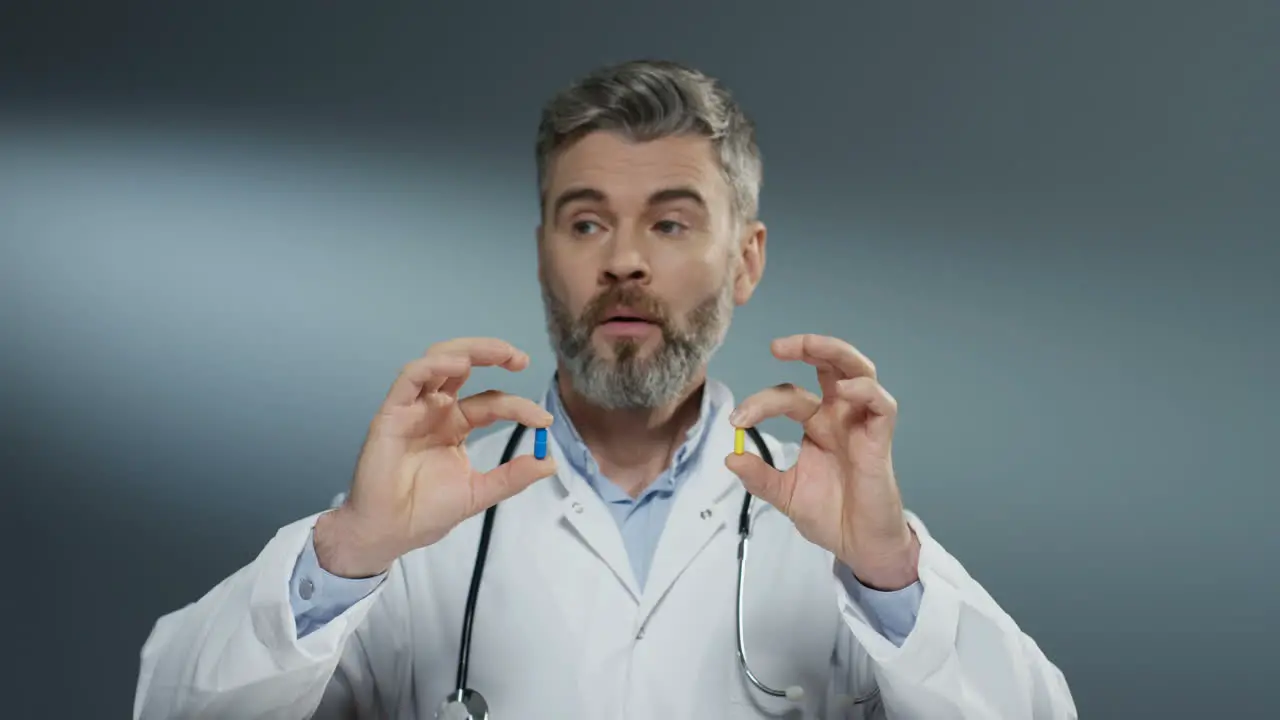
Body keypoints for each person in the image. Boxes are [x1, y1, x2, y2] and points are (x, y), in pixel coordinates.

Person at [133, 59, 1077, 719]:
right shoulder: (413, 524)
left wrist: (887, 574)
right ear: (541, 252)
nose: (624, 261)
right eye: (585, 224)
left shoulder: (834, 524)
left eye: (670, 224)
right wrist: (345, 553)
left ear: (746, 261)